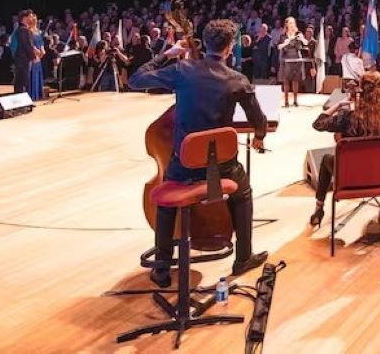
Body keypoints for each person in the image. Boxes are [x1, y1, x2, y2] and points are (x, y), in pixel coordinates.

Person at [128, 19, 269, 286]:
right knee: (243, 192)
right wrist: (259, 137)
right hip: (222, 167)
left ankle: (161, 267)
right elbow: (258, 120)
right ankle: (243, 257)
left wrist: (166, 55)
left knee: (167, 201)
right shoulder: (237, 80)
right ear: (229, 49)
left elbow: (136, 80)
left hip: (184, 164)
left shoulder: (182, 69)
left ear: (206, 44)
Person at [308, 71, 380, 227]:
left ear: (361, 90)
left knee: (327, 159)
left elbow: (318, 124)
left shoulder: (346, 117)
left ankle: (319, 209)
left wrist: (339, 104)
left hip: (349, 179)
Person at [276, 16, 308, 107]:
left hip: (297, 58)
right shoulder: (283, 36)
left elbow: (306, 43)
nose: (292, 25)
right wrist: (285, 43)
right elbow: (278, 47)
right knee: (286, 81)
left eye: (293, 23)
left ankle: (295, 100)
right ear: (287, 24)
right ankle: (286, 100)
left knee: (295, 80)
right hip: (286, 59)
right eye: (290, 23)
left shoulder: (298, 34)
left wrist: (302, 39)